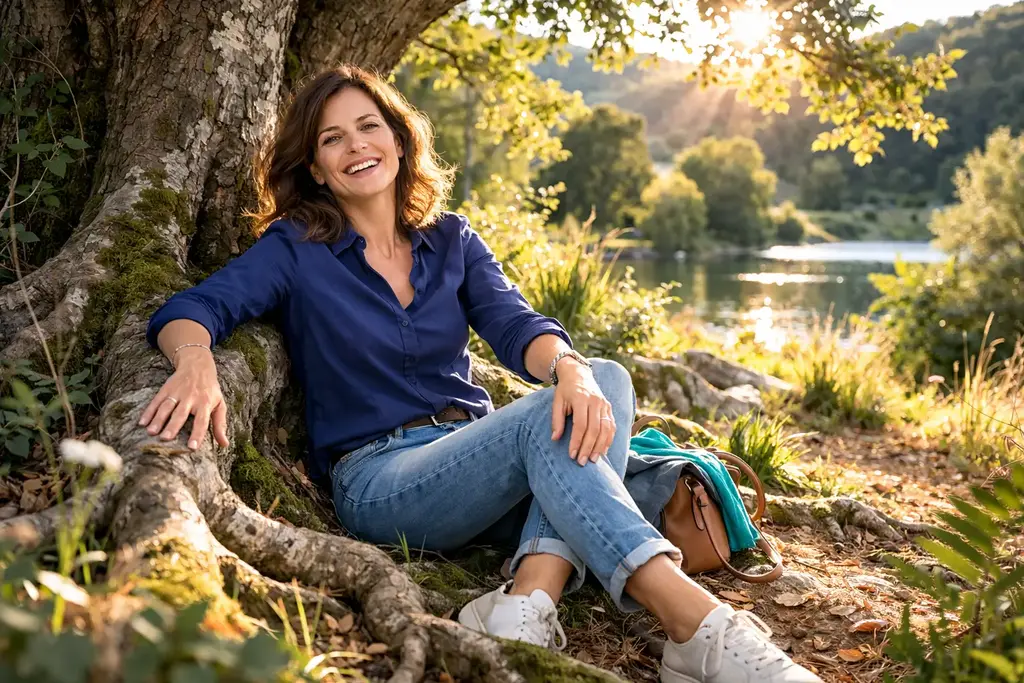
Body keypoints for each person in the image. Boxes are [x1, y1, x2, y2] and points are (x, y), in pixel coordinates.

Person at [140, 64, 821, 683]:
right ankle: (696, 626)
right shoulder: (296, 248)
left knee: (603, 377)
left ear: (398, 140)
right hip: (380, 478)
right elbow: (191, 309)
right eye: (332, 139)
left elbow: (518, 326)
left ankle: (527, 601)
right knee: (554, 417)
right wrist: (196, 360)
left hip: (474, 458)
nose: (356, 147)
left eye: (369, 127)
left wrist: (570, 368)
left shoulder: (451, 239)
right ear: (316, 168)